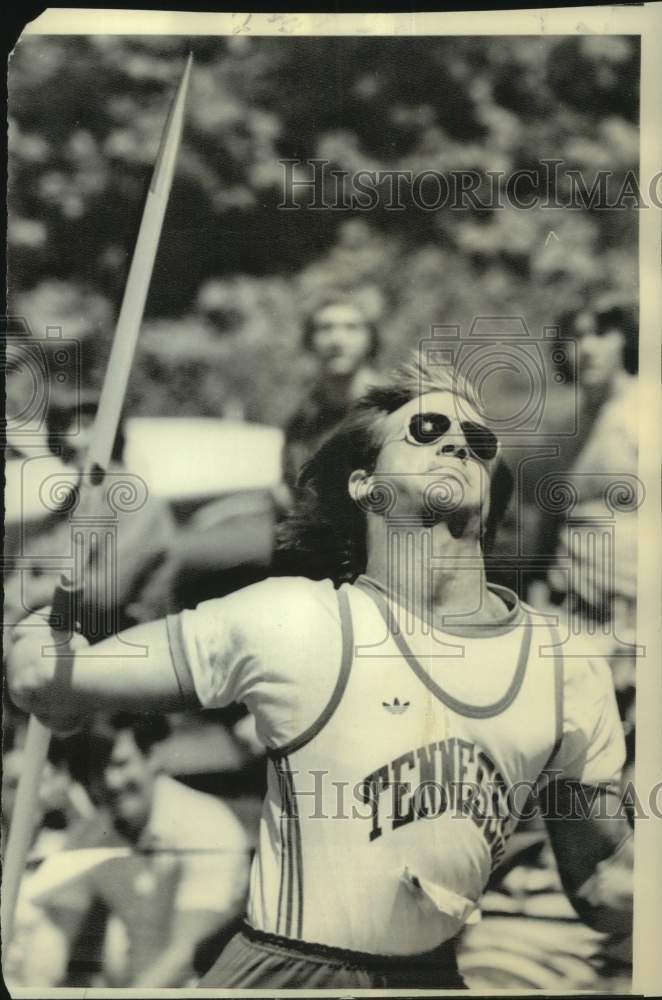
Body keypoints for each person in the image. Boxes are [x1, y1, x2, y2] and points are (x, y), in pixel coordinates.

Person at [8, 357, 633, 989]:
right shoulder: (291, 619)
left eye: (478, 440)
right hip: (288, 976)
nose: (457, 441)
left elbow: (604, 888)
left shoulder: (566, 665)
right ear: (364, 485)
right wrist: (37, 621)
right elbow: (45, 679)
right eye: (426, 429)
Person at [26, 714, 252, 987]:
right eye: (98, 767)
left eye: (121, 764)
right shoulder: (92, 834)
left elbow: (185, 955)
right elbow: (58, 934)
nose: (110, 780)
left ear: (153, 757)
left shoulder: (208, 827)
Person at [283, 294, 383, 488]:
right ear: (309, 340)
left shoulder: (397, 410)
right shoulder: (301, 426)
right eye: (325, 328)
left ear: (371, 338)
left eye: (351, 327)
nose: (337, 340)